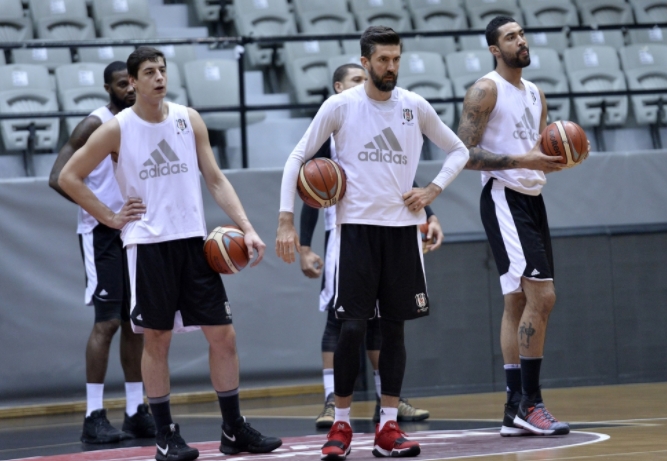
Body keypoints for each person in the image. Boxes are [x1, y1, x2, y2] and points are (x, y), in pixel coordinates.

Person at [59, 46, 282, 461]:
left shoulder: (187, 118)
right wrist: (110, 216)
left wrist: (247, 227)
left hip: (194, 242)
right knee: (156, 340)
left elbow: (215, 179)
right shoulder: (117, 129)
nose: (159, 77)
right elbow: (69, 175)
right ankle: (164, 435)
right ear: (133, 81)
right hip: (147, 245)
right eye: (149, 72)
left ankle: (233, 429)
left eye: (162, 70)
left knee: (224, 336)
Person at [276, 27, 469, 460]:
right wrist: (286, 220)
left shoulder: (414, 106)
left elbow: (459, 150)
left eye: (396, 59)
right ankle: (342, 423)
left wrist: (432, 191)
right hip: (355, 231)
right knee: (352, 327)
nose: (391, 67)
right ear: (365, 63)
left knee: (395, 329)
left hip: (402, 232)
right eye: (383, 59)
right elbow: (297, 157)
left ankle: (388, 427)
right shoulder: (341, 106)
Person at [458, 16, 588, 437]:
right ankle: (531, 404)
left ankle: (513, 408)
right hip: (503, 196)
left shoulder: (535, 93)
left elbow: (534, 151)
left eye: (522, 34)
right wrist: (522, 161)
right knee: (542, 297)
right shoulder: (485, 90)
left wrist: (558, 158)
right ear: (495, 49)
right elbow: (463, 154)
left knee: (517, 301)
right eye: (511, 37)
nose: (521, 41)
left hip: (532, 199)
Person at [300, 63, 438, 429]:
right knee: (342, 320)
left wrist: (430, 213)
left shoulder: (388, 116)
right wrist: (303, 245)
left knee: (383, 321)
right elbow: (310, 188)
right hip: (346, 232)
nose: (366, 84)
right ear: (339, 87)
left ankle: (387, 400)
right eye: (357, 80)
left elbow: (403, 177)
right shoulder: (334, 123)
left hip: (391, 229)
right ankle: (332, 400)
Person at [49, 61, 156, 444]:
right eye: (121, 84)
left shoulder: (139, 122)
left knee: (135, 322)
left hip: (133, 232)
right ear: (108, 88)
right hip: (101, 234)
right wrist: (101, 213)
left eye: (131, 82)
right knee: (107, 323)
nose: (129, 88)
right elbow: (57, 177)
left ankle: (135, 411)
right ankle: (93, 416)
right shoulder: (94, 124)